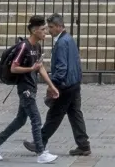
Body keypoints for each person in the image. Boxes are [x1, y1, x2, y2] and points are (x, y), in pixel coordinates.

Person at [0, 16, 57, 163]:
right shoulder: (24, 47)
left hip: (32, 86)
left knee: (20, 120)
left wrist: (51, 85)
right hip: (25, 88)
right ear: (34, 30)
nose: (46, 32)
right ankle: (41, 152)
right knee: (36, 119)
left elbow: (40, 67)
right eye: (43, 29)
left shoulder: (37, 47)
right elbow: (14, 67)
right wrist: (31, 68)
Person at [37, 12, 92, 156]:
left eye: (51, 27)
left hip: (66, 85)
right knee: (75, 114)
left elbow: (62, 68)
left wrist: (52, 84)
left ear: (59, 26)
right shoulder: (69, 39)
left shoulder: (61, 43)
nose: (49, 31)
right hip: (74, 83)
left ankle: (40, 141)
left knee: (54, 114)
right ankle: (83, 144)